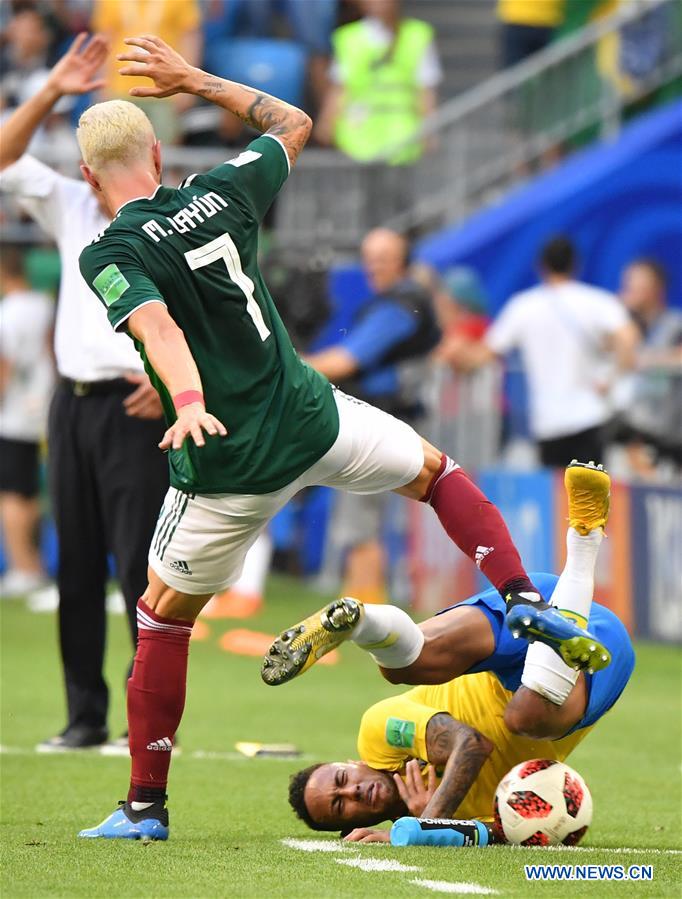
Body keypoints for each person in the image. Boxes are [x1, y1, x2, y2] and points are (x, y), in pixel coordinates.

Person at [73, 36, 605, 841]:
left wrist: (186, 399)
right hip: (311, 416)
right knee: (436, 472)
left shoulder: (109, 251)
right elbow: (294, 121)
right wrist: (192, 79)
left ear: (89, 178)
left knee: (162, 618)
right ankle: (525, 600)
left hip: (228, 460)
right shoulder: (221, 191)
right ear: (156, 153)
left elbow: (157, 326)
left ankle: (145, 806)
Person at [280, 463, 634, 839]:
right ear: (354, 825)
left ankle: (361, 623)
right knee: (525, 717)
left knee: (402, 666)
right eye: (341, 806)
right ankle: (583, 541)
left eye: (342, 779)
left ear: (351, 762)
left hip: (529, 610)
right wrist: (439, 826)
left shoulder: (378, 735)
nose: (352, 791)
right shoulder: (465, 816)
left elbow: (471, 744)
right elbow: (510, 833)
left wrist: (427, 824)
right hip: (590, 661)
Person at [0, 33, 169, 750]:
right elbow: (3, 157)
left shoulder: (176, 218)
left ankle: (145, 721)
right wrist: (50, 90)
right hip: (71, 404)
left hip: (140, 404)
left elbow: (209, 317)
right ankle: (84, 717)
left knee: (139, 569)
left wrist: (171, 385)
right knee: (75, 565)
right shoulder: (71, 205)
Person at [306, 227, 440, 605]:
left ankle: (362, 607)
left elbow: (346, 361)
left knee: (361, 517)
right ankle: (362, 604)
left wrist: (287, 368)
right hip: (394, 421)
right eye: (368, 258)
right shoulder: (405, 300)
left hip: (384, 424)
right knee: (364, 516)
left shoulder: (399, 306)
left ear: (403, 261)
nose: (372, 267)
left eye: (382, 259)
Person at [443, 236, 639, 468]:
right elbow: (629, 339)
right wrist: (612, 378)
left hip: (548, 421)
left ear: (541, 266)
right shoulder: (597, 301)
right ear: (575, 265)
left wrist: (452, 354)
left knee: (556, 488)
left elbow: (483, 355)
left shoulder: (524, 306)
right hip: (590, 415)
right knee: (590, 489)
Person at [315, 0, 442, 164]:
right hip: (357, 138)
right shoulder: (349, 38)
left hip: (404, 138)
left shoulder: (417, 35)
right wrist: (327, 123)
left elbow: (425, 91)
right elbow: (340, 88)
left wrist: (429, 130)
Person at [0, 245, 54, 596]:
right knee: (32, 493)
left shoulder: (7, 313)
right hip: (47, 407)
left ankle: (23, 568)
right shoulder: (44, 305)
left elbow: (4, 366)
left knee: (12, 493)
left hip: (14, 415)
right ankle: (34, 566)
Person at [618, 259, 682, 477]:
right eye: (628, 286)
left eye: (636, 286)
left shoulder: (674, 324)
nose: (629, 292)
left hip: (670, 434)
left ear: (655, 288)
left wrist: (647, 360)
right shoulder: (626, 329)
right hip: (636, 432)